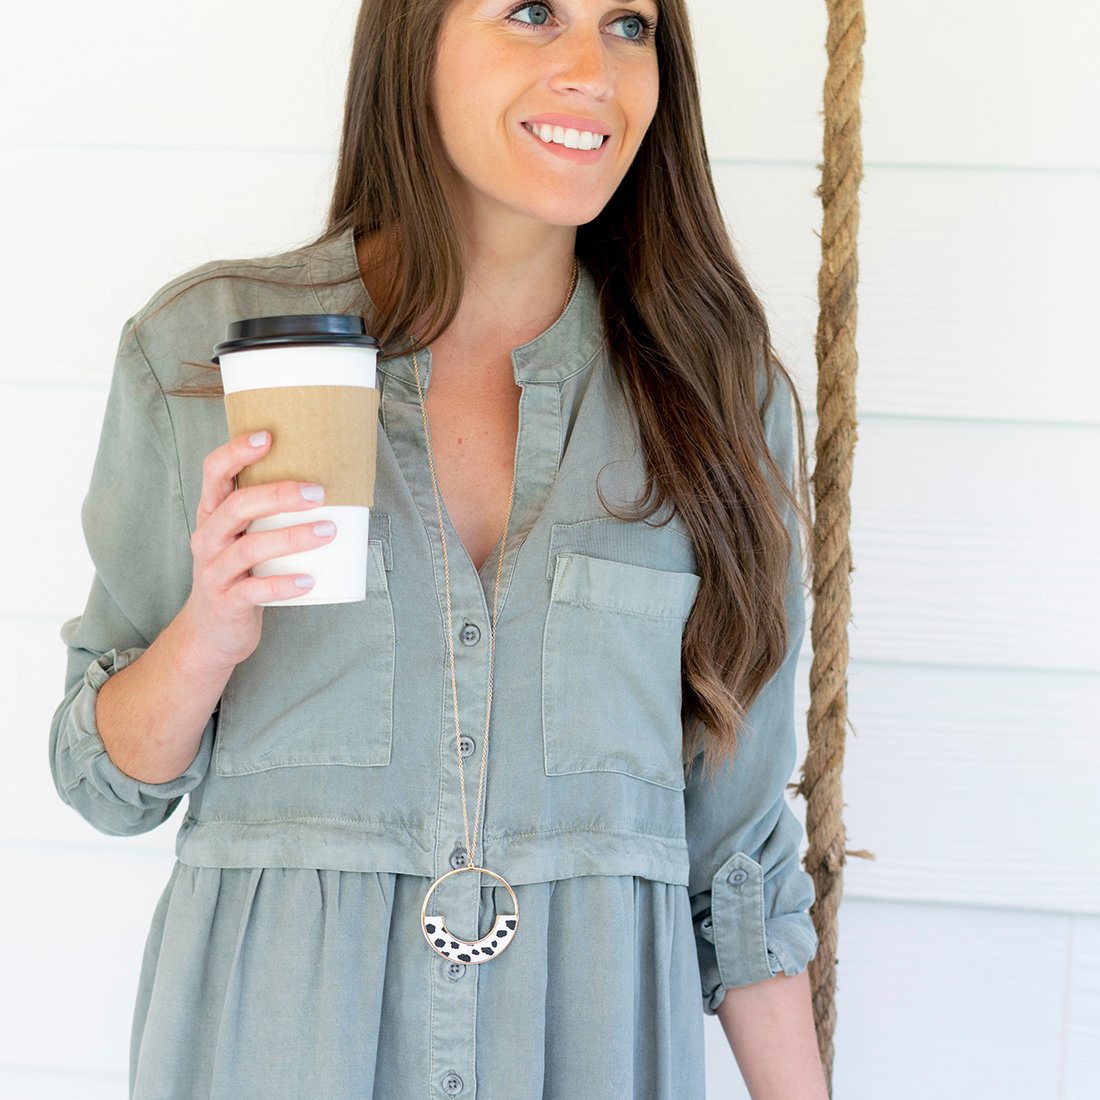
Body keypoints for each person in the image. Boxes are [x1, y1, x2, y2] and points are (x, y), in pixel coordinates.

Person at [50, 1, 828, 1096]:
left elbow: (736, 854)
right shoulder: (202, 351)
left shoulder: (710, 392)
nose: (590, 70)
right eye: (529, 12)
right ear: (412, 38)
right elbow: (102, 781)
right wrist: (205, 636)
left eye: (627, 24)